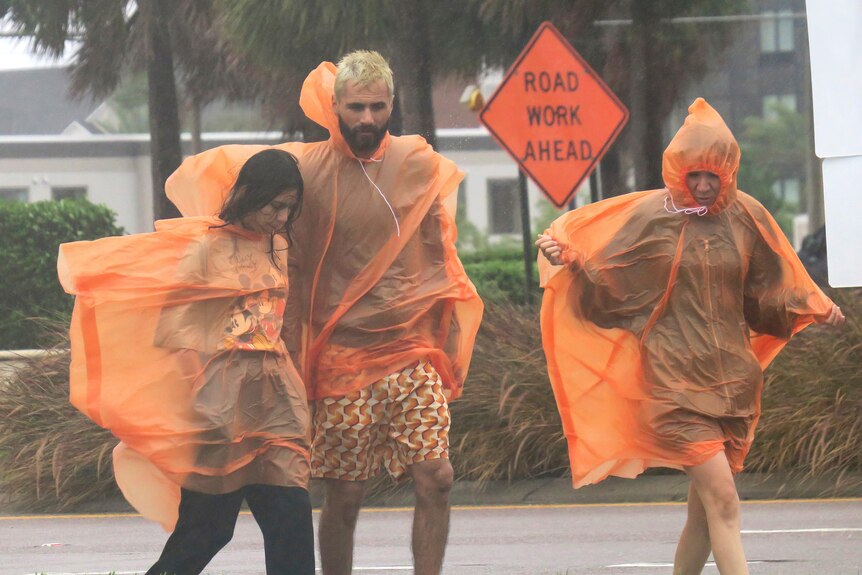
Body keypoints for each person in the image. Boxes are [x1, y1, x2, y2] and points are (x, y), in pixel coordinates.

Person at [166, 51, 484, 575]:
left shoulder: (417, 162)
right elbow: (253, 196)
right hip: (338, 362)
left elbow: (438, 252)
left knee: (438, 476)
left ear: (392, 104)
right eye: (356, 107)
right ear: (334, 105)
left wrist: (446, 334)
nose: (367, 119)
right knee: (343, 497)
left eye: (378, 107)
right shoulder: (308, 171)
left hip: (409, 354)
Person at [535, 98, 844, 575]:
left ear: (728, 172)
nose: (702, 185)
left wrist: (811, 306)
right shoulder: (653, 217)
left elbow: (765, 295)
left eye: (712, 175)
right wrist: (572, 262)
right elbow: (610, 286)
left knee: (703, 515)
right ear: (678, 171)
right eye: (693, 174)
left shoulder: (746, 217)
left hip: (733, 388)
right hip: (672, 386)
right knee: (724, 501)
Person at [58, 149, 314, 575]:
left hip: (276, 405)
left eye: (289, 207)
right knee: (208, 529)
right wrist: (203, 395)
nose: (282, 217)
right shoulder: (207, 248)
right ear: (249, 195)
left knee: (291, 519)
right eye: (274, 206)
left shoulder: (278, 245)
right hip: (220, 408)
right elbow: (172, 331)